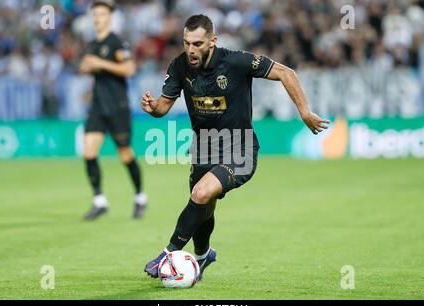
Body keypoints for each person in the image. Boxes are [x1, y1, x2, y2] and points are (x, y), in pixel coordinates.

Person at [141, 14, 329, 279]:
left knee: (200, 194)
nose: (191, 50)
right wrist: (153, 109)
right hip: (204, 149)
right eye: (186, 43)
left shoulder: (237, 61)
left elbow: (287, 73)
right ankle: (204, 256)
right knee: (203, 207)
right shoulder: (180, 66)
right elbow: (163, 106)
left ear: (213, 41)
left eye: (197, 43)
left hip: (240, 151)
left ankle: (167, 254)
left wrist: (305, 112)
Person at [79, 0, 147, 220]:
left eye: (101, 14)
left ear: (109, 17)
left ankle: (140, 197)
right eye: (95, 14)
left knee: (125, 154)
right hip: (98, 107)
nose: (97, 18)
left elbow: (129, 68)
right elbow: (90, 69)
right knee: (89, 151)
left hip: (117, 107)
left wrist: (100, 63)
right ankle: (99, 201)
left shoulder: (117, 43)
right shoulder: (92, 44)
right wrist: (87, 70)